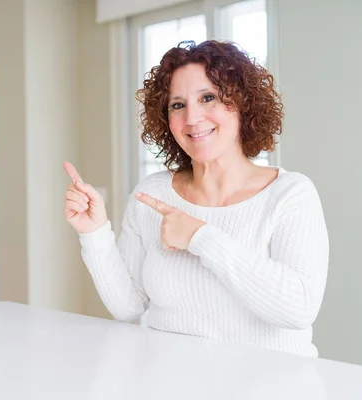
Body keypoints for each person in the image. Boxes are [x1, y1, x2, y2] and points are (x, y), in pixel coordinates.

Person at [63, 40, 329, 357]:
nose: (192, 118)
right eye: (178, 105)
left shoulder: (290, 194)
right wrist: (94, 233)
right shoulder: (151, 195)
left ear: (243, 104)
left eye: (208, 98)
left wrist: (200, 237)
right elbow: (128, 306)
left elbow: (298, 309)